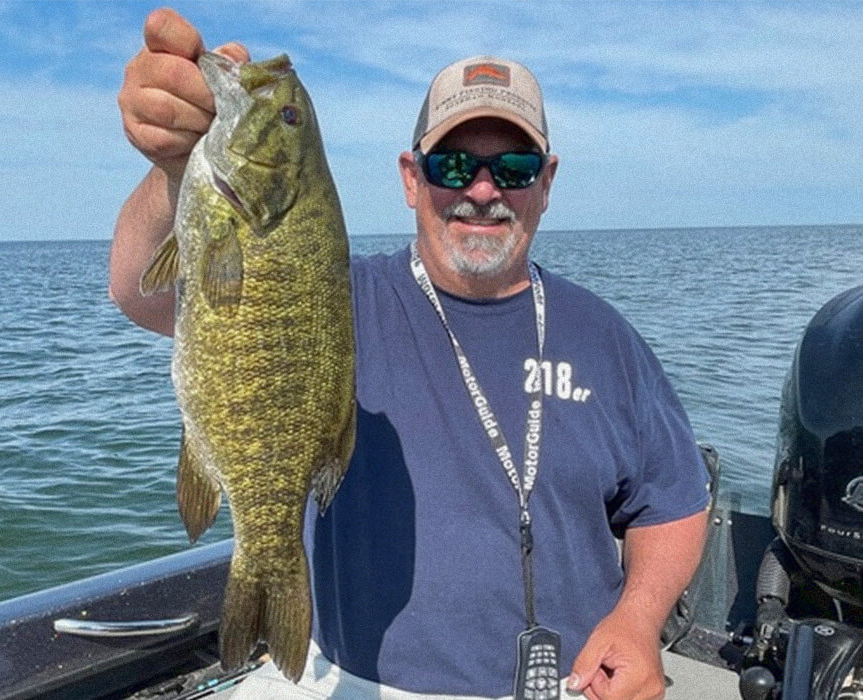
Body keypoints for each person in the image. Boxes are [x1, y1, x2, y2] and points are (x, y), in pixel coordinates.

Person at [110, 9, 710, 700]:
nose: (482, 191)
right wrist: (173, 169)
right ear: (411, 177)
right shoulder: (338, 298)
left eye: (511, 166)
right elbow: (138, 292)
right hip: (360, 683)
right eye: (453, 163)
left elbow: (672, 500)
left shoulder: (607, 337)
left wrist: (638, 621)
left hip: (574, 685)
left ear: (545, 183)